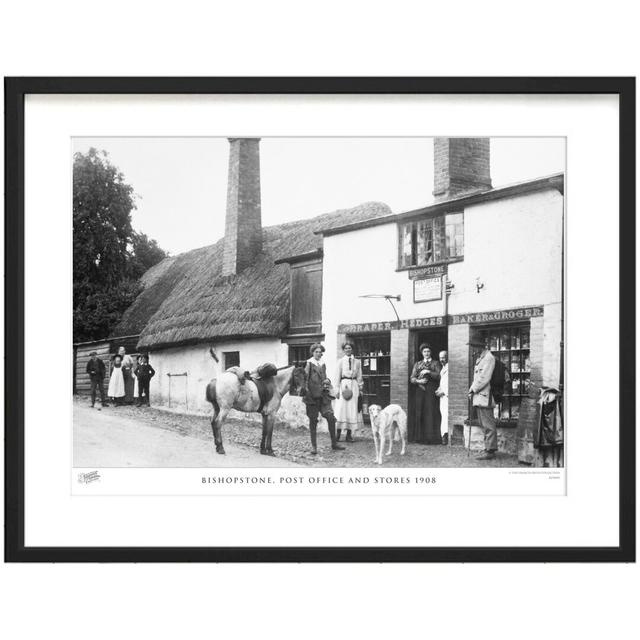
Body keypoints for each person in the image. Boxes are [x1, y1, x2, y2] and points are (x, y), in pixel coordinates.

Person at [303, 343, 344, 455]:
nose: (318, 353)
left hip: (323, 397)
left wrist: (328, 381)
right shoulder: (309, 363)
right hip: (312, 397)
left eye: (320, 352)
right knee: (313, 421)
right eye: (316, 351)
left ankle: (334, 443)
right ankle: (314, 447)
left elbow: (325, 378)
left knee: (330, 418)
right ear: (312, 352)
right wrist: (307, 394)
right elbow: (305, 381)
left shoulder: (323, 364)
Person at [468, 337, 497, 460]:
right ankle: (487, 448)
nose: (473, 350)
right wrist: (472, 390)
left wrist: (472, 389)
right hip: (480, 396)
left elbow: (484, 378)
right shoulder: (481, 358)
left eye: (474, 347)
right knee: (483, 424)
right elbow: (477, 378)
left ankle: (490, 451)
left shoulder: (488, 358)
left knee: (488, 425)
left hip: (485, 396)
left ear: (480, 347)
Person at [410, 343, 442, 444]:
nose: (426, 353)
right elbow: (412, 378)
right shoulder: (417, 364)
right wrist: (418, 381)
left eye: (428, 351)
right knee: (420, 411)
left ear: (430, 352)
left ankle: (431, 438)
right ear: (422, 353)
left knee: (430, 412)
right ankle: (420, 438)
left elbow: (439, 376)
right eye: (424, 352)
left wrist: (428, 371)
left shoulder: (435, 363)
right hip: (420, 390)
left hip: (431, 391)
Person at [334, 340, 363, 442]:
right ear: (343, 350)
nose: (348, 350)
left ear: (352, 349)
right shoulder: (340, 361)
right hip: (343, 385)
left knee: (352, 410)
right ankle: (337, 433)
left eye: (349, 348)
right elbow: (337, 376)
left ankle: (349, 435)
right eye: (346, 348)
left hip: (354, 385)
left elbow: (359, 376)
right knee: (341, 409)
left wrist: (360, 388)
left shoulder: (357, 362)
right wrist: (337, 389)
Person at [435, 350, 449, 444]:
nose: (441, 360)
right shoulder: (443, 368)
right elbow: (442, 382)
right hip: (442, 397)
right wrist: (439, 389)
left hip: (447, 396)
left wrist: (444, 392)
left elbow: (450, 382)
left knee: (446, 415)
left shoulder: (450, 367)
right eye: (440, 358)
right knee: (443, 415)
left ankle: (445, 436)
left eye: (443, 357)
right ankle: (443, 435)